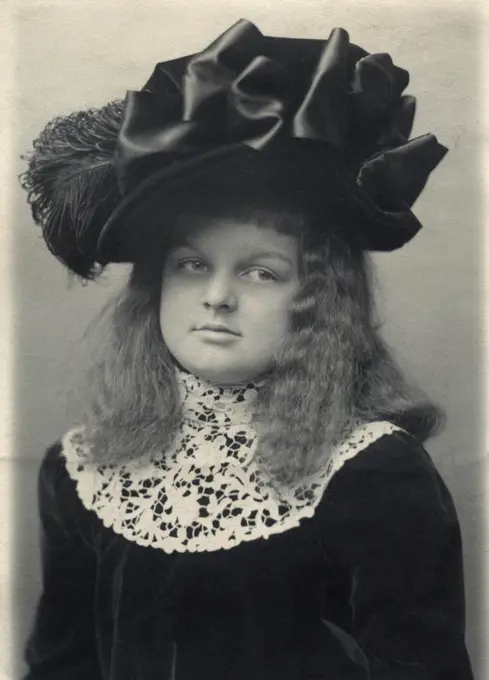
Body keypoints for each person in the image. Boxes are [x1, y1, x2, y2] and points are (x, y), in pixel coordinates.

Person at [20, 18, 474, 680]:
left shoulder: (372, 475)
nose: (218, 297)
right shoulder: (80, 469)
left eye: (261, 272)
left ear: (317, 301)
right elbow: (63, 666)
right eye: (191, 266)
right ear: (155, 288)